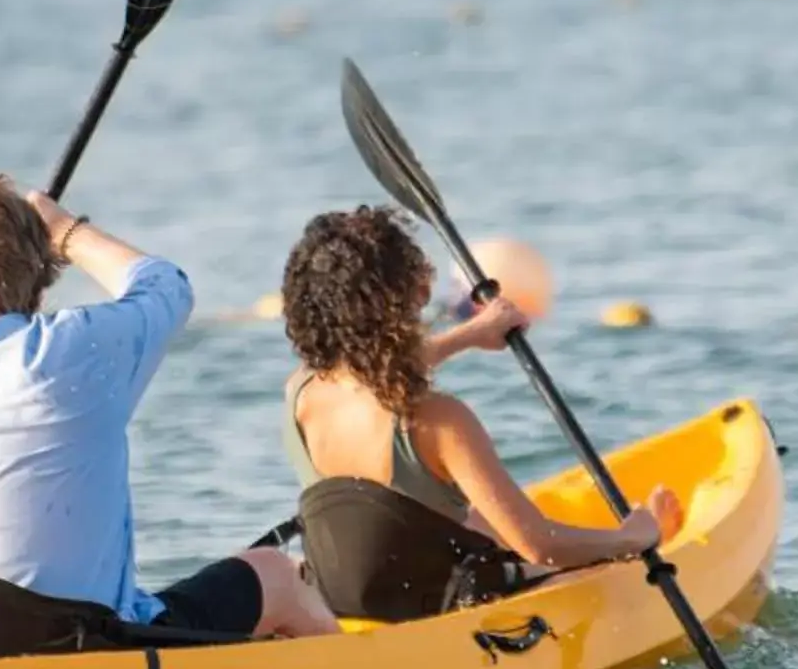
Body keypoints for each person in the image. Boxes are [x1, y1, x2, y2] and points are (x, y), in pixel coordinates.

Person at [0, 172, 336, 659]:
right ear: (39, 274)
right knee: (277, 573)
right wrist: (64, 229)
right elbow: (166, 286)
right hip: (84, 651)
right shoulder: (70, 351)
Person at [278, 206, 681, 622]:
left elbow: (371, 375)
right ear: (404, 299)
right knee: (558, 559)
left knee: (479, 520)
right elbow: (541, 544)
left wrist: (468, 335)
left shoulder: (300, 392)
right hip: (440, 616)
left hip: (342, 606)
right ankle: (634, 549)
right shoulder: (438, 420)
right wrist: (633, 537)